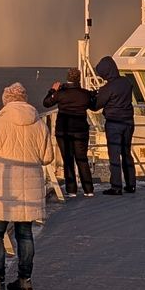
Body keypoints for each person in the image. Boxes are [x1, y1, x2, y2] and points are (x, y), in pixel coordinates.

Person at [0, 83, 54, 290]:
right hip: (30, 187)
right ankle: (24, 281)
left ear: (6, 100)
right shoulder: (38, 123)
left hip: (3, 187)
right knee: (25, 234)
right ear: (24, 99)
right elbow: (47, 157)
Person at [43, 68, 98, 197]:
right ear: (78, 79)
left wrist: (52, 90)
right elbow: (94, 106)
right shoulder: (85, 94)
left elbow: (46, 103)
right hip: (80, 131)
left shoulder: (61, 93)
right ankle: (88, 189)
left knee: (68, 160)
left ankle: (71, 190)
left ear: (67, 78)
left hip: (64, 131)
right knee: (82, 159)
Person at [93, 55, 137, 194]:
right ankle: (131, 184)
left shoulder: (108, 88)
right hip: (129, 122)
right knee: (126, 153)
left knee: (114, 156)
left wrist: (91, 98)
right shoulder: (126, 81)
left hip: (114, 124)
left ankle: (116, 187)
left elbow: (96, 106)